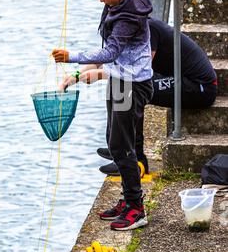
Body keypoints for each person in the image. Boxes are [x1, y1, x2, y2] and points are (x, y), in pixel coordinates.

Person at [52, 0, 153, 231]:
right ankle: (127, 199)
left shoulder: (128, 15)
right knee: (114, 141)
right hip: (122, 80)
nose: (101, 1)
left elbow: (108, 54)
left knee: (122, 145)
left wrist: (71, 57)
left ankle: (136, 208)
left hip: (132, 84)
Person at [65, 17, 218, 176]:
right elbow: (105, 58)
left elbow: (138, 70)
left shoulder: (148, 30)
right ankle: (117, 147)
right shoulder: (130, 29)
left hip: (199, 86)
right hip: (181, 79)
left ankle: (135, 161)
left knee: (133, 88)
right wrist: (76, 75)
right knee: (118, 84)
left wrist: (99, 75)